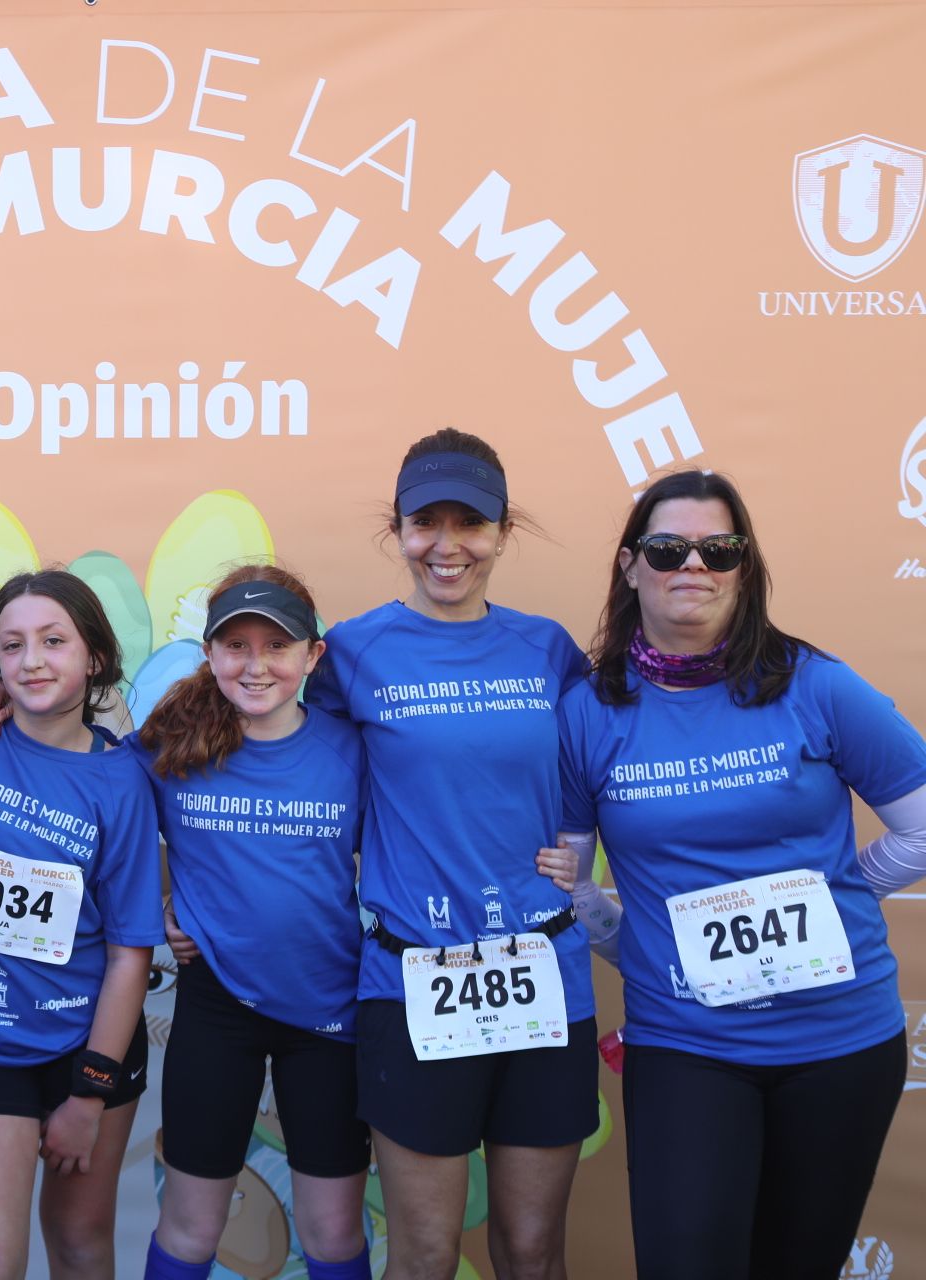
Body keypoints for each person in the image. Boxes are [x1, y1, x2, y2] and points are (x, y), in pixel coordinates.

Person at [553, 469, 926, 1279]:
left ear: (744, 567)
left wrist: (840, 896)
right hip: (687, 1044)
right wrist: (638, 948)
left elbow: (922, 827)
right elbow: (571, 886)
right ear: (629, 566)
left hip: (840, 1040)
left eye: (719, 549)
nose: (694, 565)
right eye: (668, 548)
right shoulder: (591, 709)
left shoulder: (813, 685)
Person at [305, 428, 597, 1280]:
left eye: (470, 522)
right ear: (397, 531)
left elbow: (614, 761)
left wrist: (580, 852)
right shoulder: (352, 651)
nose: (447, 544)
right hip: (412, 979)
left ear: (504, 532)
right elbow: (262, 741)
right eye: (424, 521)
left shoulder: (548, 649)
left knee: (534, 1251)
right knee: (426, 1254)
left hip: (545, 972)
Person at [0, 569, 165, 1280]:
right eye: (12, 646)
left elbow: (130, 951)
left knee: (79, 1242)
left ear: (96, 659)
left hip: (87, 1042)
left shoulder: (122, 781)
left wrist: (89, 1092)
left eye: (53, 641)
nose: (32, 662)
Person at [133, 565, 374, 1280]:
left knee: (332, 1231)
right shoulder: (172, 744)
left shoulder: (353, 751)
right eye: (235, 645)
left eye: (277, 645)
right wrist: (164, 906)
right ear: (208, 653)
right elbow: (91, 814)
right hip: (217, 1009)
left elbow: (429, 836)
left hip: (331, 1013)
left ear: (313, 655)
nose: (256, 664)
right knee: (191, 1224)